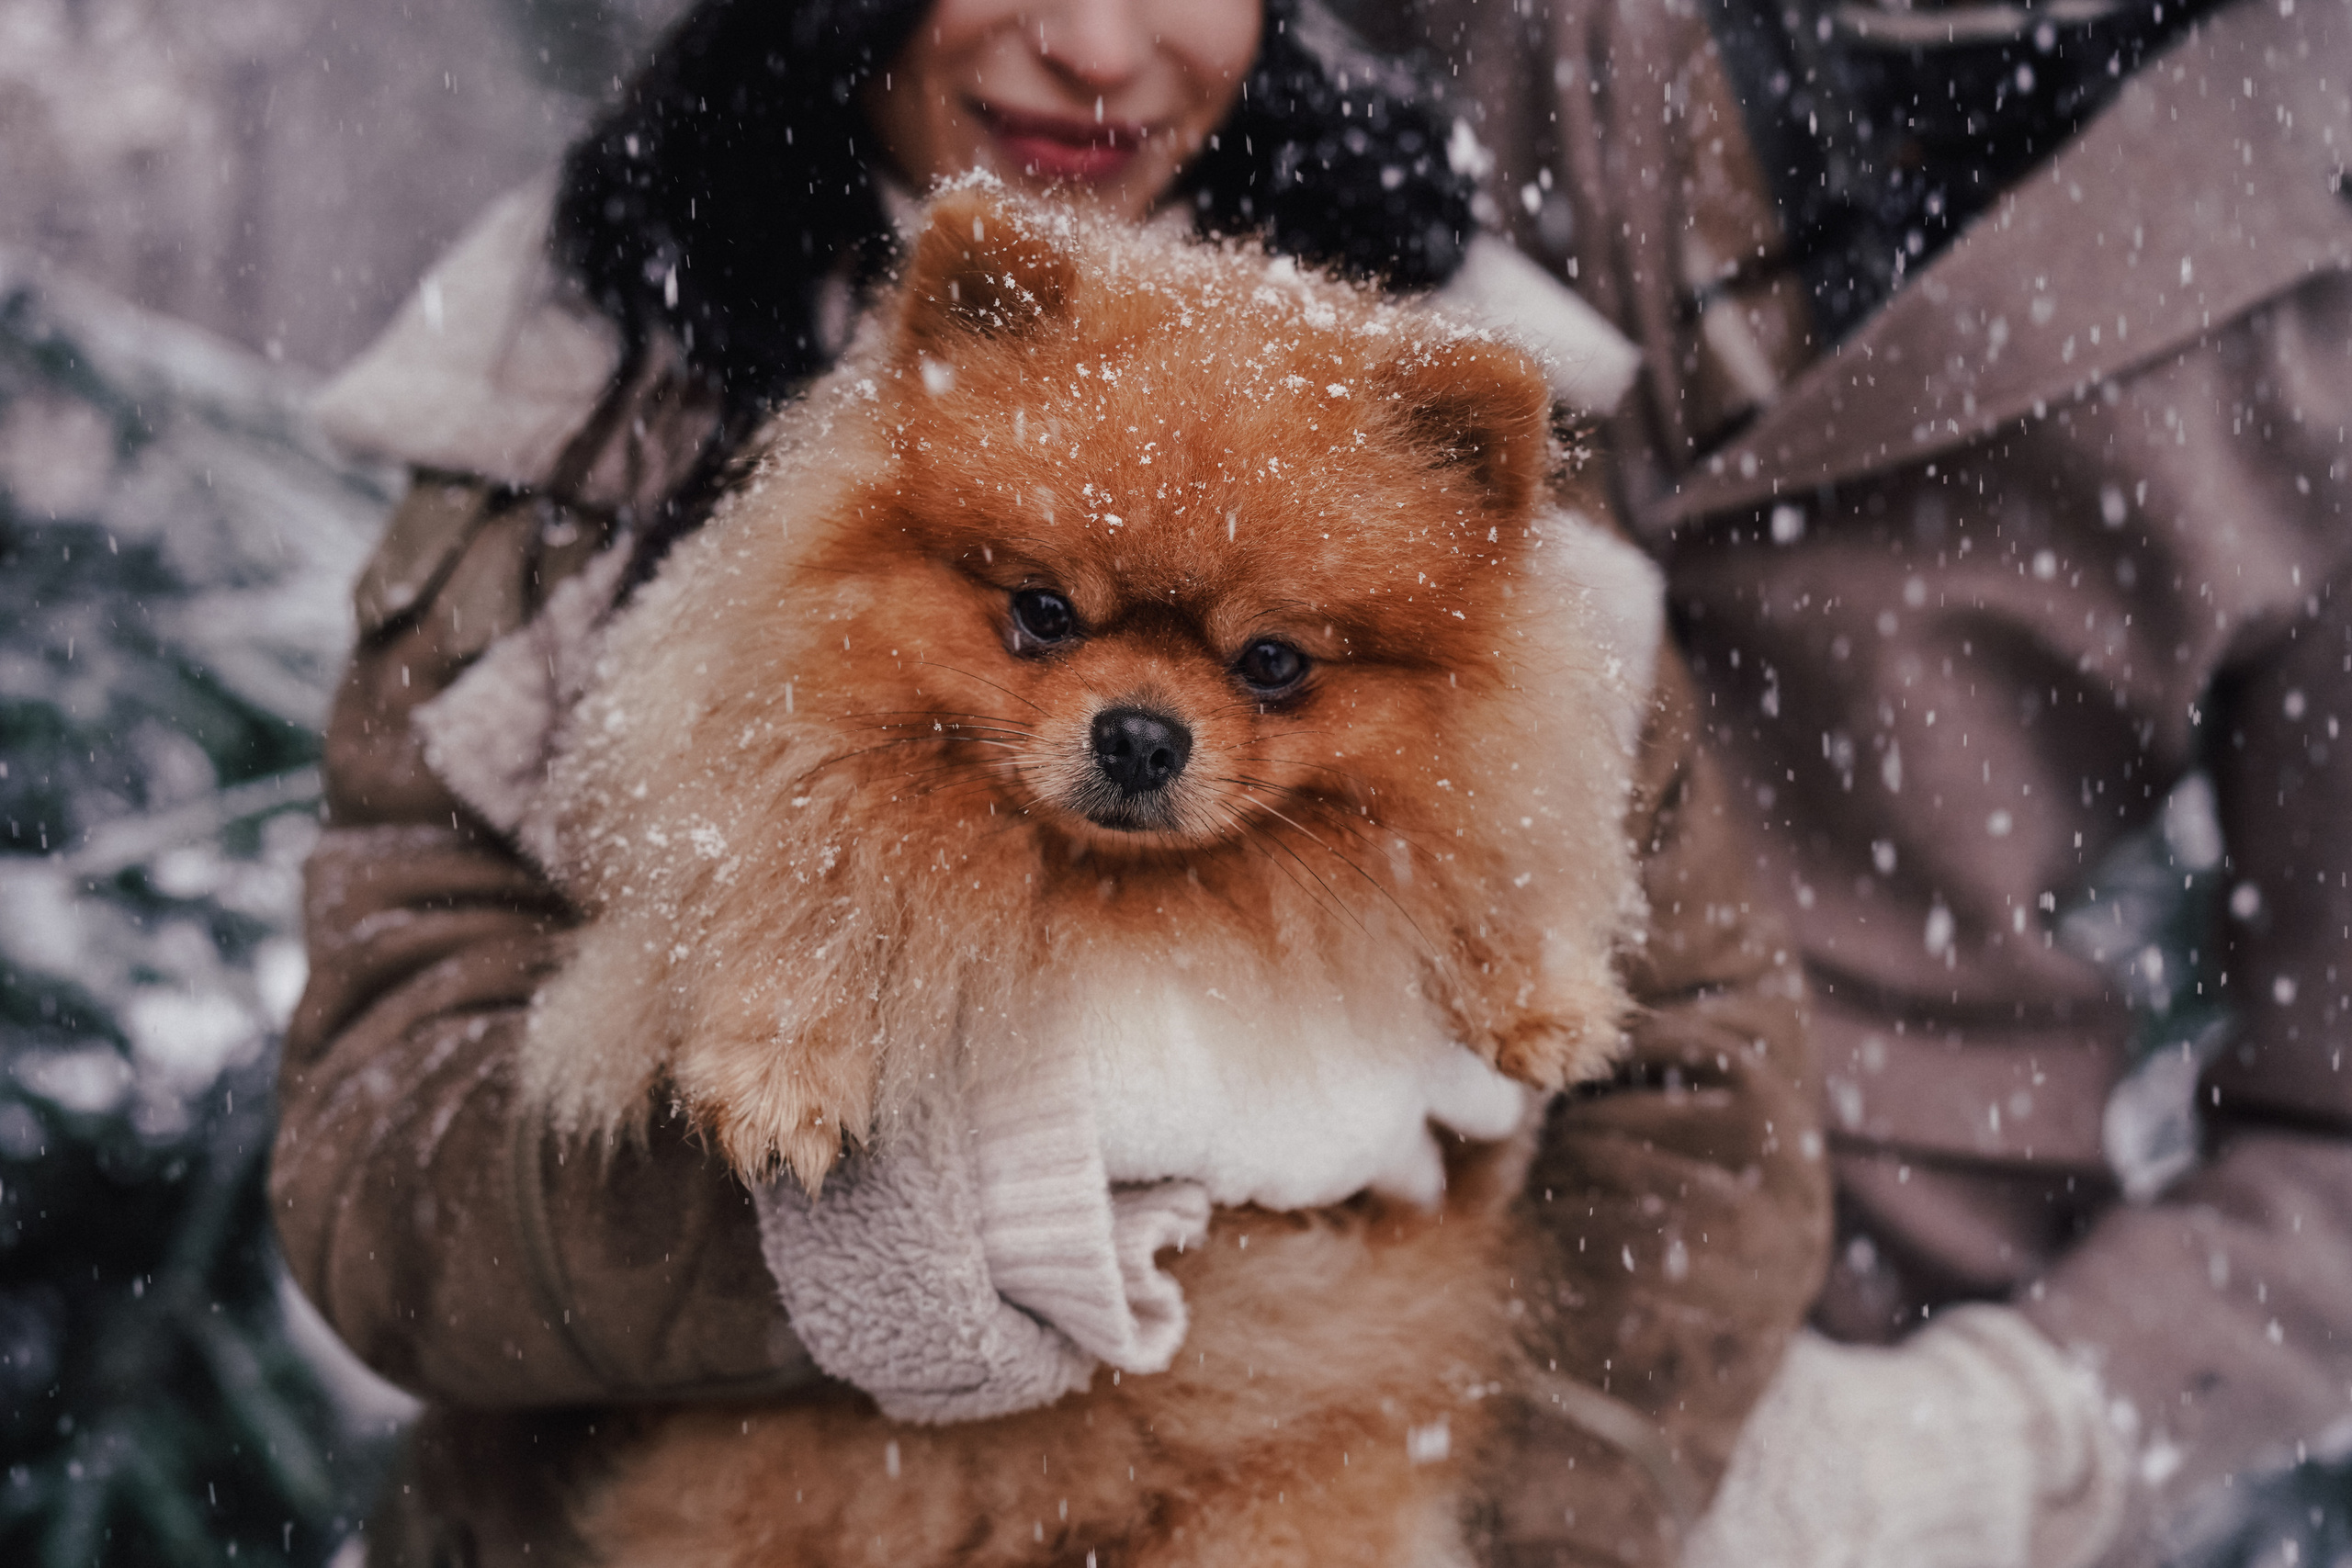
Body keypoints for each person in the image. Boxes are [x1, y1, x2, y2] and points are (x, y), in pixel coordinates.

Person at [271, 1, 1830, 1562]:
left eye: (1268, 663)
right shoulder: (558, 401)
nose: (1094, 44)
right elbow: (378, 1184)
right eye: (1044, 617)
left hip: (1288, 1489)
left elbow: (1701, 1133)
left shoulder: (1451, 421)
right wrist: (907, 1211)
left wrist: (1516, 1531)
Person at [1395, 0, 2352, 1560]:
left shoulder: (2313, 200)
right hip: (1311, 1180)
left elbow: (2334, 1133)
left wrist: (1995, 1438)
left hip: (1862, 1318)